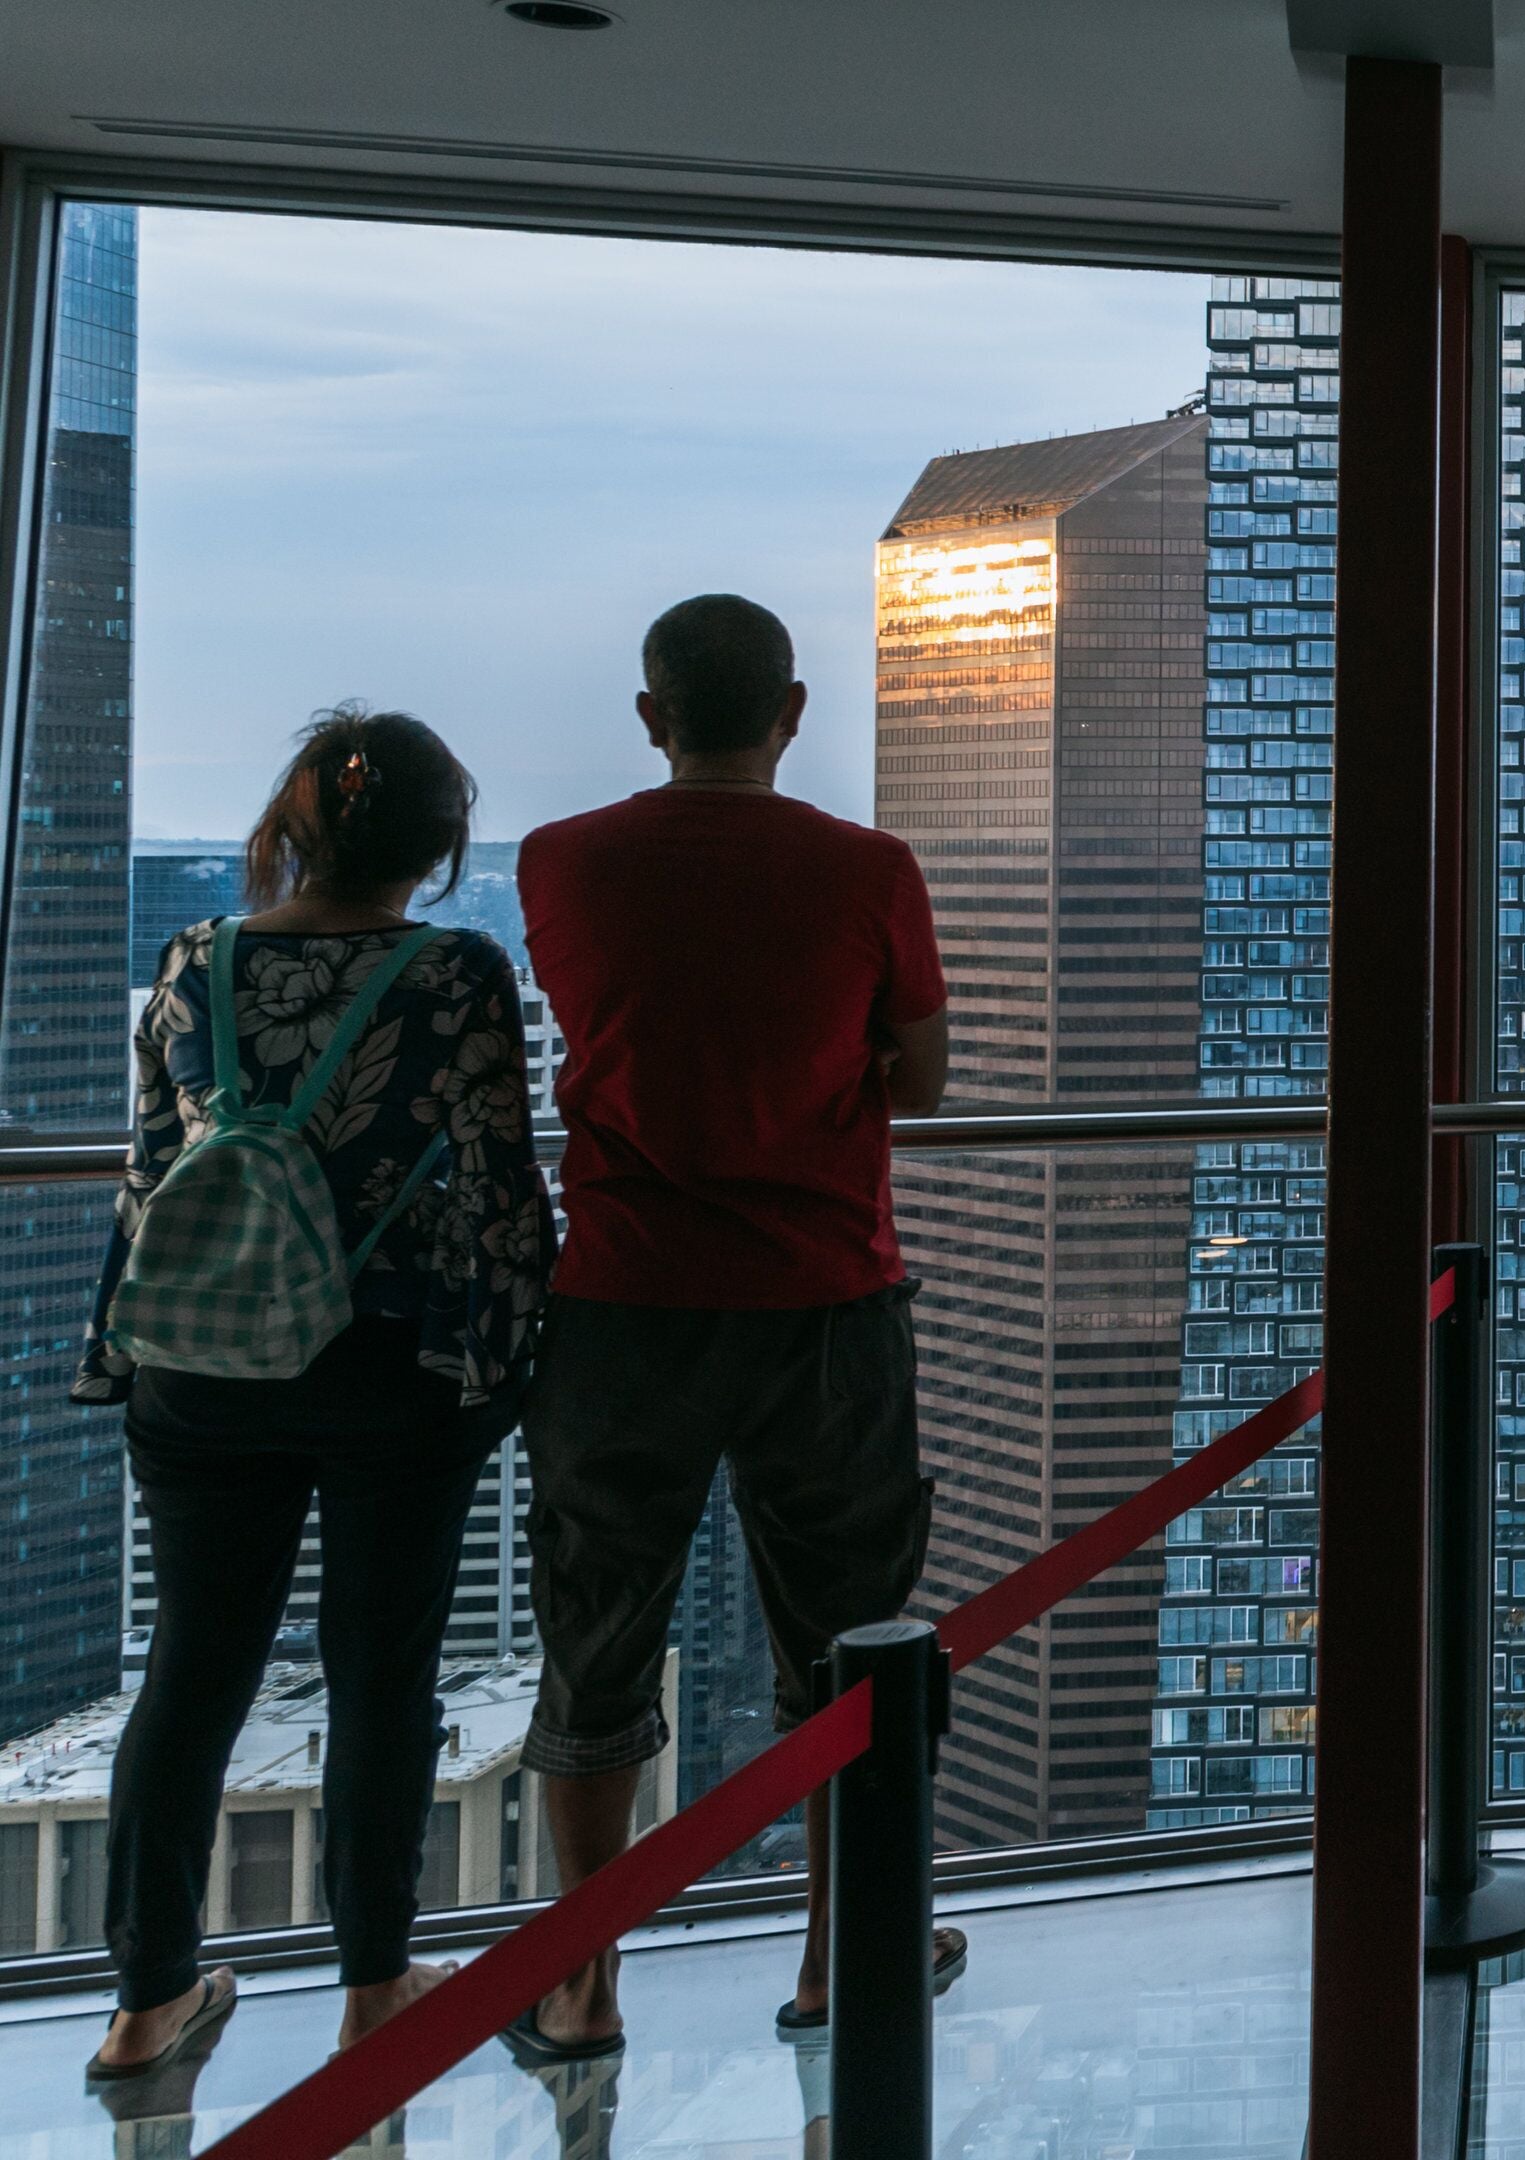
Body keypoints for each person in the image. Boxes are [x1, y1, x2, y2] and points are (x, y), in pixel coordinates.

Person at [76, 707, 555, 2083]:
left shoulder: (194, 960)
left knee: (193, 1669)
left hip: (204, 1367)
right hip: (388, 1371)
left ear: (295, 829)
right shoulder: (456, 973)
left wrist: (120, 1350)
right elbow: (500, 1197)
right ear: (438, 849)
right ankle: (374, 1984)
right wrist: (511, 1364)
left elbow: (151, 1173)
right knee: (382, 1674)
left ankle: (147, 1997)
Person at [512, 593, 956, 2059]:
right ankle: (842, 1953)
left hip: (623, 1302)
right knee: (848, 1640)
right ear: (795, 711)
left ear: (651, 717)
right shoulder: (870, 869)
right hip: (824, 1297)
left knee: (596, 1642)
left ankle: (586, 1985)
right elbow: (928, 1081)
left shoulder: (562, 861)